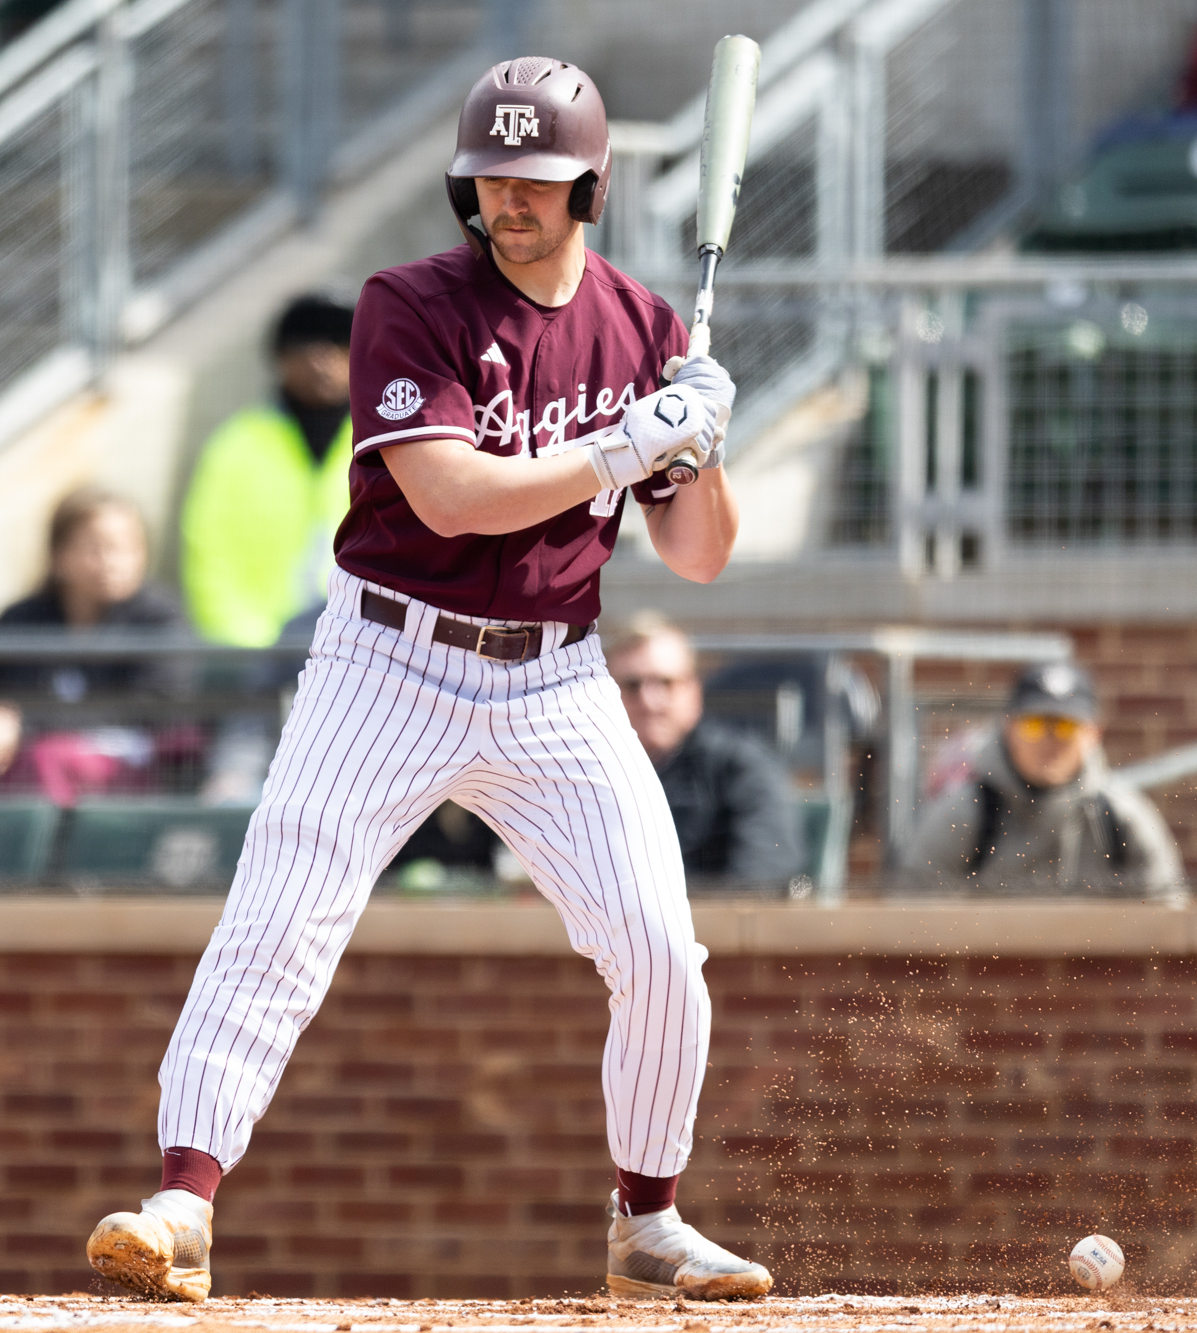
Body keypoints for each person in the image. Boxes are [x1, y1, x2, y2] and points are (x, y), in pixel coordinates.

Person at [85, 57, 769, 1304]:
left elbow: (698, 554)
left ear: (588, 189)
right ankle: (181, 1201)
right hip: (388, 656)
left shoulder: (646, 329)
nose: (509, 200)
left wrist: (702, 445)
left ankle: (649, 1216)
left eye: (537, 181)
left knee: (661, 948)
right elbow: (450, 497)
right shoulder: (407, 302)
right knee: (282, 914)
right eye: (491, 177)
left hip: (555, 679)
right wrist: (624, 442)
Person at [0, 488, 187, 805]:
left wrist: (23, 725)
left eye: (129, 548)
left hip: (129, 772)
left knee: (48, 758)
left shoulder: (159, 618)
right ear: (58, 554)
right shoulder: (20, 620)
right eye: (97, 549)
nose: (114, 562)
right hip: (19, 766)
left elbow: (151, 708)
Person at [906, 661, 1181, 897]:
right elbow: (912, 926)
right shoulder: (963, 816)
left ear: (1093, 733)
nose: (1049, 741)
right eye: (1034, 725)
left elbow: (1166, 926)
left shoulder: (1122, 819)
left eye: (1065, 726)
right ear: (1008, 728)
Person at [181, 295, 354, 648]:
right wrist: (250, 645)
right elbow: (207, 554)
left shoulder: (387, 441)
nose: (324, 360)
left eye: (339, 345)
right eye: (309, 346)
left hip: (361, 648)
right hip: (257, 656)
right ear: (281, 358)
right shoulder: (235, 445)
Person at [607, 612, 802, 889]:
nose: (649, 701)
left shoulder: (741, 766)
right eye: (632, 685)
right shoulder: (592, 773)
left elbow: (764, 875)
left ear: (693, 689)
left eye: (665, 682)